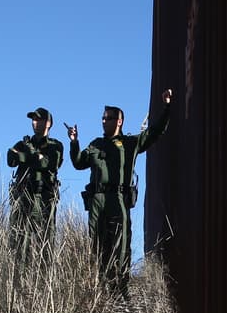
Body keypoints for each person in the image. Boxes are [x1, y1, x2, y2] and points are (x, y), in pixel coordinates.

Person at [67, 88, 173, 295]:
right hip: (97, 199)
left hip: (118, 197)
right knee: (97, 243)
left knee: (121, 242)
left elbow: (155, 132)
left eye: (108, 118)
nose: (103, 121)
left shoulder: (131, 143)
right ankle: (100, 288)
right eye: (102, 118)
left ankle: (120, 287)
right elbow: (79, 163)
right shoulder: (95, 144)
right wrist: (74, 142)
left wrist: (167, 106)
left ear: (119, 121)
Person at [6, 106, 64, 261]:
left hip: (43, 196)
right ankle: (18, 279)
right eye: (33, 119)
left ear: (48, 123)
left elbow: (49, 163)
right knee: (17, 239)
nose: (34, 122)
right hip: (22, 195)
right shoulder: (23, 142)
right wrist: (34, 156)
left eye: (38, 119)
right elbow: (10, 158)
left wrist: (24, 157)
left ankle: (43, 280)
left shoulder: (55, 145)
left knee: (44, 240)